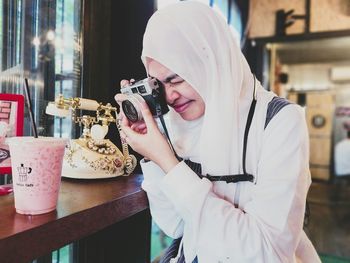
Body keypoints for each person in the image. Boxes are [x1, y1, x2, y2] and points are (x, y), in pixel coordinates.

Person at [115, 1, 320, 262]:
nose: (169, 96)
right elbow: (174, 225)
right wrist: (153, 153)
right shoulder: (179, 121)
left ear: (209, 60)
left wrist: (169, 162)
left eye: (176, 78)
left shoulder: (280, 122)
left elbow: (266, 253)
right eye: (159, 84)